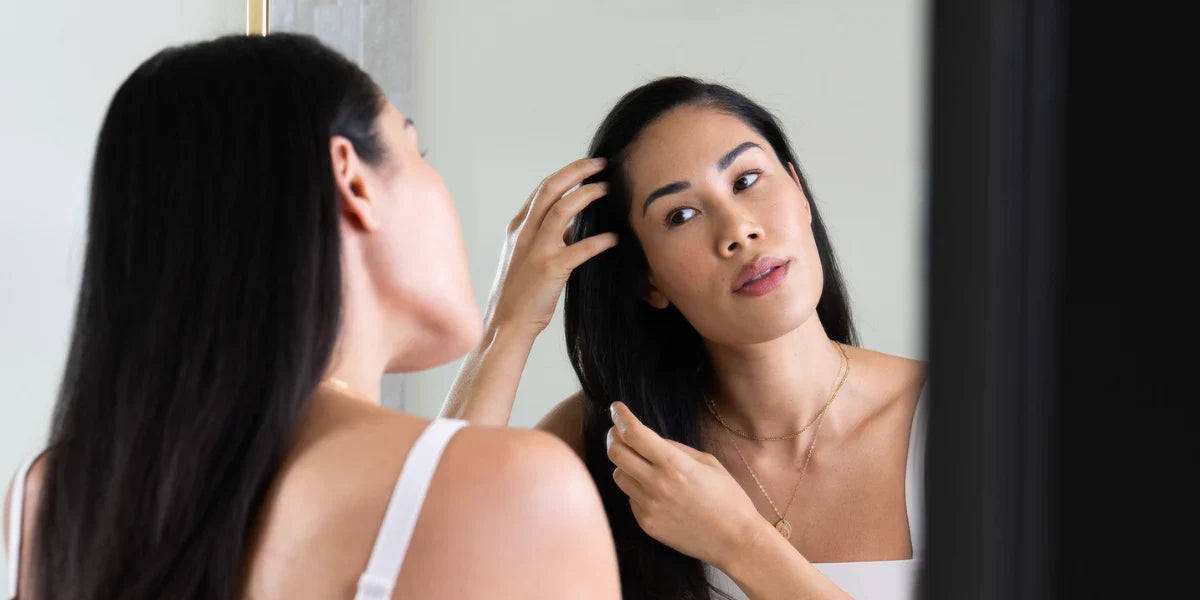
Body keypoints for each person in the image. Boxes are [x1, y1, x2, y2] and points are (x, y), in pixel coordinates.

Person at [2, 34, 619, 600]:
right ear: (352, 179)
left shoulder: (48, 499)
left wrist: (507, 329)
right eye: (415, 147)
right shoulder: (521, 490)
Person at [443, 77, 926, 599]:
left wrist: (738, 543)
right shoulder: (616, 446)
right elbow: (422, 561)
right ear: (648, 281)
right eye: (681, 215)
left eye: (746, 180)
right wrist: (508, 326)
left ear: (799, 192)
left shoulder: (966, 420)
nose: (738, 229)